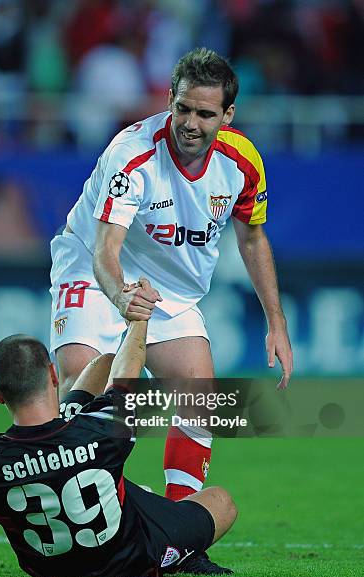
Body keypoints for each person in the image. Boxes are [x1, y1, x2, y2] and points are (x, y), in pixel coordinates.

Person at [49, 47, 293, 504]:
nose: (190, 123)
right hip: (93, 268)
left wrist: (276, 321)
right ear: (169, 100)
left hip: (170, 289)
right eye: (182, 108)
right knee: (83, 385)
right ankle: (94, 511)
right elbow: (106, 250)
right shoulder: (132, 155)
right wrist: (122, 298)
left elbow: (252, 240)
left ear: (227, 114)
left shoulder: (241, 163)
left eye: (205, 113)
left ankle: (179, 533)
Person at [0, 282, 237, 577]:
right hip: (130, 557)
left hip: (50, 569)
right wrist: (139, 317)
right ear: (53, 375)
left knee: (99, 369)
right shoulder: (97, 429)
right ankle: (174, 557)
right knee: (222, 501)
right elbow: (124, 375)